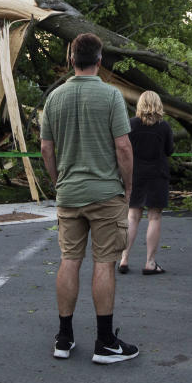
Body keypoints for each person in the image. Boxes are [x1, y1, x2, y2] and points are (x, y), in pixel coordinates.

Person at [40, 32, 138, 364]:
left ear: (71, 60)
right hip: (105, 192)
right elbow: (123, 147)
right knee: (104, 262)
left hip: (69, 193)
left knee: (70, 260)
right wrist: (128, 187)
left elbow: (46, 148)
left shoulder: (54, 98)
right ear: (99, 61)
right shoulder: (111, 97)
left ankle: (64, 337)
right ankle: (105, 341)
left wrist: (58, 182)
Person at [118, 91, 173, 276]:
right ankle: (150, 262)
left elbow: (123, 148)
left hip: (136, 174)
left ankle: (124, 258)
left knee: (132, 216)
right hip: (158, 174)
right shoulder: (164, 127)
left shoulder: (131, 124)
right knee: (154, 217)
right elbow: (169, 150)